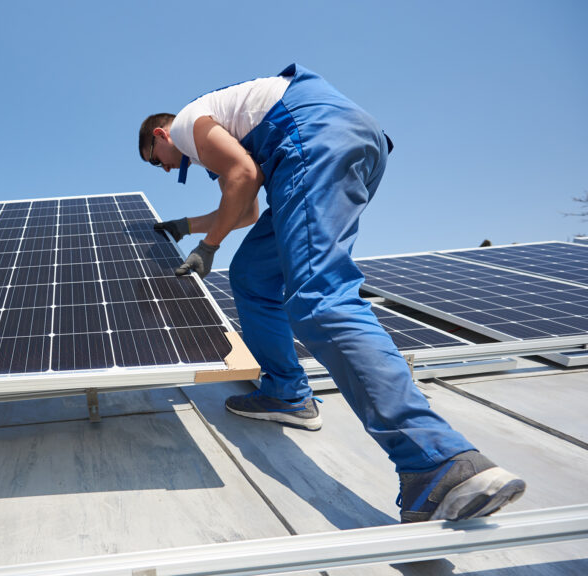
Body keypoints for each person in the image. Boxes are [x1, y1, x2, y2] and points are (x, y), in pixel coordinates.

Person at [139, 64, 525, 523]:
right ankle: (287, 394)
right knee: (252, 276)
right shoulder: (221, 124)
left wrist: (207, 246)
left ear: (161, 134)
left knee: (318, 298)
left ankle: (439, 460)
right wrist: (188, 226)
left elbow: (242, 176)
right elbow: (245, 210)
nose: (162, 168)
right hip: (346, 140)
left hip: (310, 140)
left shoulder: (187, 125)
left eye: (154, 157)